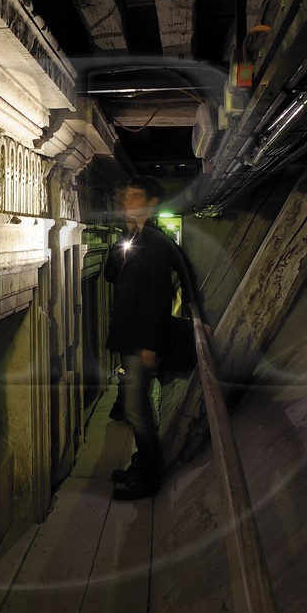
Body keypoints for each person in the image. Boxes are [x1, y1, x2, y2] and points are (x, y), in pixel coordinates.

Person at [101, 175, 193, 501]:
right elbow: (111, 274)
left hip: (142, 340)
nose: (127, 200)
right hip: (132, 336)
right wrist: (125, 236)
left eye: (135, 195)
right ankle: (141, 464)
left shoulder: (154, 242)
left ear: (152, 202)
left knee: (138, 410)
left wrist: (150, 345)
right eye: (126, 195)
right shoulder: (138, 237)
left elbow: (159, 296)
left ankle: (149, 477)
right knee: (135, 406)